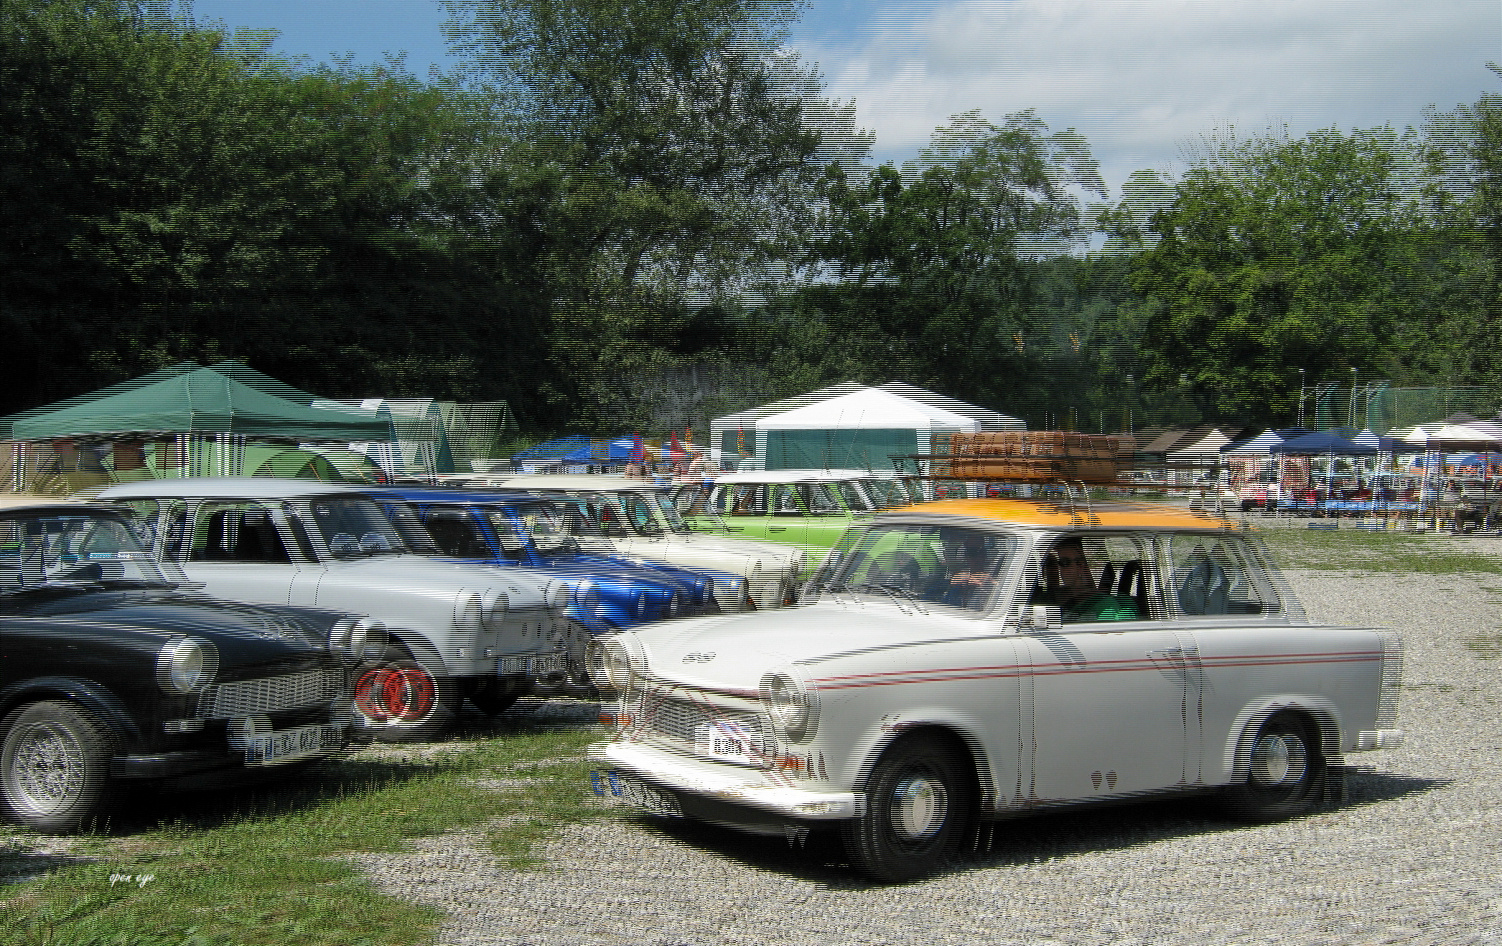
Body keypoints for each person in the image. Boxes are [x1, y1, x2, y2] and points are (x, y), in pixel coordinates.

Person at [1035, 536, 1140, 623]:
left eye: (1064, 563)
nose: (1057, 569)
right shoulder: (1039, 600)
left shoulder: (1104, 606)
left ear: (1080, 566)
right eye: (1049, 563)